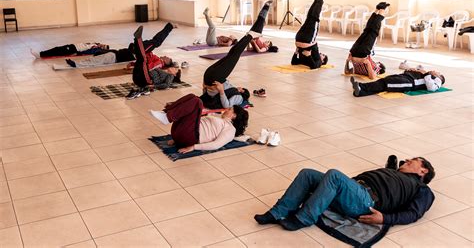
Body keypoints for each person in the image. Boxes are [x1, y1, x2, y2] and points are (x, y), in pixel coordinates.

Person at [254, 157, 435, 231]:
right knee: (307, 173)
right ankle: (277, 212)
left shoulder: (423, 190)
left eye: (414, 161)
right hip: (353, 190)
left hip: (367, 201)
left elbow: (414, 213)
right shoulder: (396, 173)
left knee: (334, 175)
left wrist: (385, 219)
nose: (409, 160)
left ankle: (304, 218)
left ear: (423, 171)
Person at [200, 2, 271, 108]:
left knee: (235, 54)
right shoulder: (232, 90)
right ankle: (254, 29)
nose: (239, 87)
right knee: (233, 52)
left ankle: (252, 34)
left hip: (213, 78)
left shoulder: (238, 97)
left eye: (241, 88)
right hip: (210, 77)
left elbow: (227, 105)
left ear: (242, 92)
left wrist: (221, 91)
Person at [149, 94, 249, 153]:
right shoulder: (220, 120)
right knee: (193, 97)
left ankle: (167, 117)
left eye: (230, 109)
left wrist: (193, 147)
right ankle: (166, 113)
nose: (227, 109)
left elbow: (216, 145)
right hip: (180, 134)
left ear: (234, 116)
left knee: (197, 102)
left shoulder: (231, 129)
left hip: (190, 137)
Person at [65, 24, 175, 68]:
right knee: (98, 54)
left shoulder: (159, 63)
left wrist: (133, 65)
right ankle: (137, 41)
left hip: (129, 55)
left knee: (156, 42)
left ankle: (76, 64)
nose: (166, 56)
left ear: (166, 62)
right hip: (126, 52)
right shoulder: (156, 58)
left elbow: (148, 67)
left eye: (168, 58)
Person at [344, 2, 390, 78]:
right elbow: (347, 72)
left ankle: (381, 9)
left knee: (373, 31)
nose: (377, 62)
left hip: (361, 53)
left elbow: (372, 77)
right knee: (367, 30)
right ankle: (378, 9)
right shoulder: (358, 70)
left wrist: (348, 60)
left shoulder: (377, 69)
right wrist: (348, 60)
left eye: (379, 63)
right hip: (355, 52)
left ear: (380, 67)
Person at [291, 0, 329, 69]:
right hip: (299, 39)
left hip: (307, 40)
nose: (321, 54)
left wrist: (307, 55)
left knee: (315, 19)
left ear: (323, 60)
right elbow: (294, 63)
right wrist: (297, 52)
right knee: (309, 17)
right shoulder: (305, 61)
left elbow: (314, 66)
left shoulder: (319, 62)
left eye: (323, 55)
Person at [350, 68, 446, 97]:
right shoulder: (428, 74)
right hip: (406, 77)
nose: (435, 70)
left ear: (440, 77)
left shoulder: (437, 81)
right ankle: (360, 87)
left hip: (409, 83)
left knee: (386, 84)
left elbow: (431, 88)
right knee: (385, 80)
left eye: (438, 72)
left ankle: (361, 89)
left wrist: (426, 74)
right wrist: (412, 70)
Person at [31, 42, 109, 58]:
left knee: (57, 51)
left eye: (103, 46)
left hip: (73, 49)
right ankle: (41, 54)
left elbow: (85, 52)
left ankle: (40, 54)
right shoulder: (94, 43)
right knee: (56, 49)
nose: (102, 45)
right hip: (72, 46)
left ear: (102, 48)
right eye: (104, 44)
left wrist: (76, 54)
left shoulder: (95, 48)